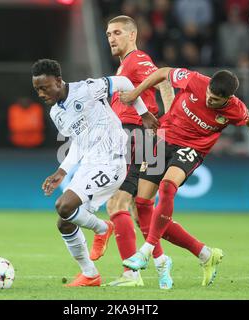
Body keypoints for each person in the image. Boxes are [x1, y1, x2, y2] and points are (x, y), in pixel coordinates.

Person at [120, 67, 249, 286]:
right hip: (163, 136)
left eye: (215, 100)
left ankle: (146, 250)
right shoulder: (195, 80)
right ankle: (205, 254)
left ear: (228, 99)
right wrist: (134, 93)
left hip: (191, 148)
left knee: (168, 187)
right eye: (208, 94)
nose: (209, 99)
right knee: (142, 206)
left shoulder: (236, 109)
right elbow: (163, 73)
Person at [32, 59, 158, 287]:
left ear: (58, 81)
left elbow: (125, 82)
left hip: (112, 161)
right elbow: (79, 142)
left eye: (45, 87)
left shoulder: (87, 88)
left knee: (63, 206)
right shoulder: (56, 114)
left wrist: (144, 113)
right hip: (89, 164)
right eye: (37, 89)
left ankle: (103, 228)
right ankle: (90, 274)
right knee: (64, 222)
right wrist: (62, 171)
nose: (41, 93)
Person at [103, 15, 176, 289]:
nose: (111, 37)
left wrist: (170, 122)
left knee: (116, 203)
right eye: (109, 33)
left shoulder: (137, 59)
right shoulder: (124, 66)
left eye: (117, 32)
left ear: (132, 35)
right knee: (139, 210)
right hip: (139, 137)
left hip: (137, 136)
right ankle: (162, 262)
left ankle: (131, 275)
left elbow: (165, 81)